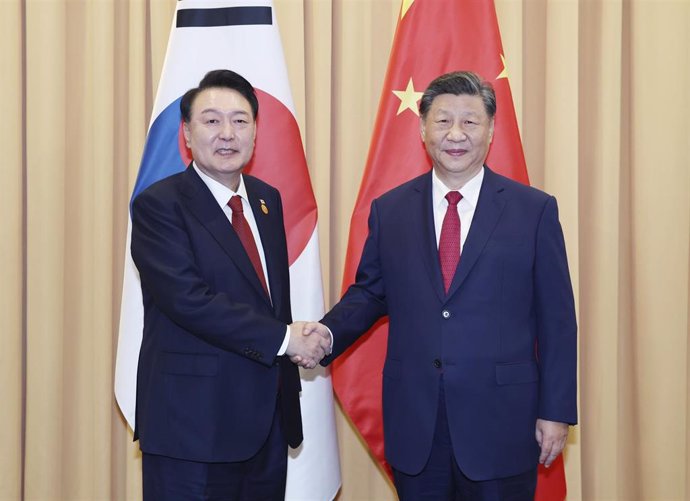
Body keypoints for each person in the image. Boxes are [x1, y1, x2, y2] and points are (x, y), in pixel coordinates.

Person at [301, 71, 577, 500]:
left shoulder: (533, 210)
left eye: (470, 121)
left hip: (503, 423)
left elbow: (558, 321)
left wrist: (556, 412)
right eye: (443, 120)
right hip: (418, 422)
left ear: (491, 131)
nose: (456, 133)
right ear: (422, 128)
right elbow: (371, 292)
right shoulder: (390, 210)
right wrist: (327, 333)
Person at [130, 69, 330, 500]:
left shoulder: (266, 199)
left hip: (266, 425)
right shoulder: (158, 206)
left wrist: (296, 337)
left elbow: (269, 300)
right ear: (186, 133)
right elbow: (188, 300)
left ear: (256, 132)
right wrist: (285, 339)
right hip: (192, 428)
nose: (227, 133)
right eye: (211, 120)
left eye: (240, 121)